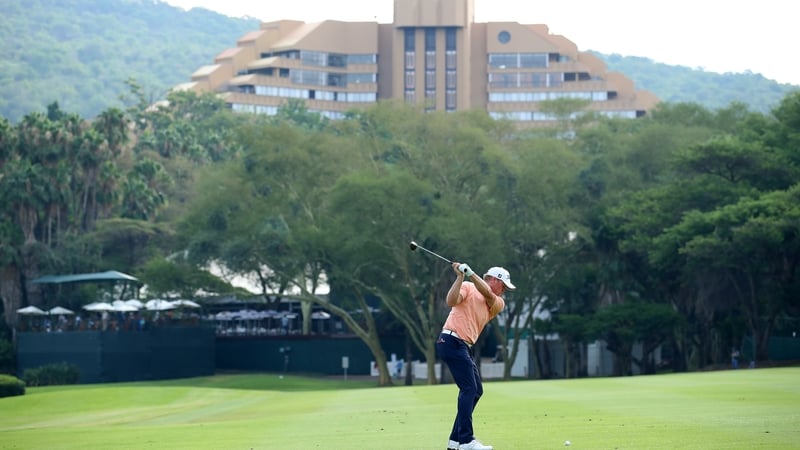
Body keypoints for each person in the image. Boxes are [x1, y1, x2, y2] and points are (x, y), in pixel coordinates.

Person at [437, 262, 514, 450]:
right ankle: (466, 440)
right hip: (451, 340)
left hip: (463, 346)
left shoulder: (497, 302)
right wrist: (460, 277)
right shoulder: (468, 287)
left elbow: (487, 293)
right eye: (503, 285)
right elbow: (451, 301)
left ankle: (455, 441)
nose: (504, 290)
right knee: (469, 389)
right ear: (494, 280)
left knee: (476, 390)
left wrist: (470, 273)